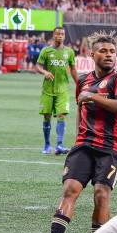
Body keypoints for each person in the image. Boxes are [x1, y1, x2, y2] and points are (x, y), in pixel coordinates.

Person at [34, 31, 117, 233]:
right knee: (70, 189)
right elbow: (82, 107)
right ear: (92, 54)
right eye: (103, 51)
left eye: (112, 51)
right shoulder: (83, 79)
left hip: (110, 148)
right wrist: (81, 132)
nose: (109, 55)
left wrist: (93, 97)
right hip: (84, 145)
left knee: (101, 193)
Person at [36, 27, 78, 155]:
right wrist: (44, 72)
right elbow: (38, 66)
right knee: (47, 117)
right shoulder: (46, 50)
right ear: (53, 35)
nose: (60, 36)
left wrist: (79, 84)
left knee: (61, 115)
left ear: (64, 36)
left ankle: (59, 145)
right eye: (58, 34)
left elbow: (73, 69)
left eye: (62, 34)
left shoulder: (69, 52)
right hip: (48, 89)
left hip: (62, 89)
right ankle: (47, 145)